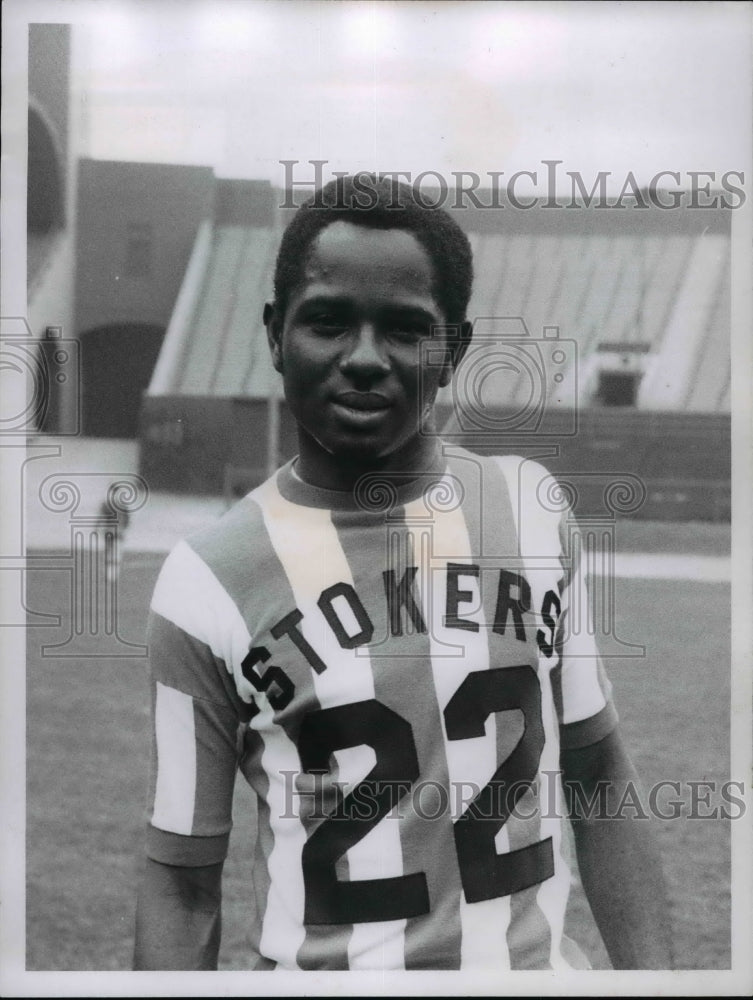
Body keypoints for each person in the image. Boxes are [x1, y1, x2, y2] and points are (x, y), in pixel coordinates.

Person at [133, 175, 673, 971]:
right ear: (274, 334)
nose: (362, 359)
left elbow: (596, 771)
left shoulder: (530, 509)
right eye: (326, 321)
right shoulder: (205, 579)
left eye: (405, 329)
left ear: (453, 349)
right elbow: (181, 883)